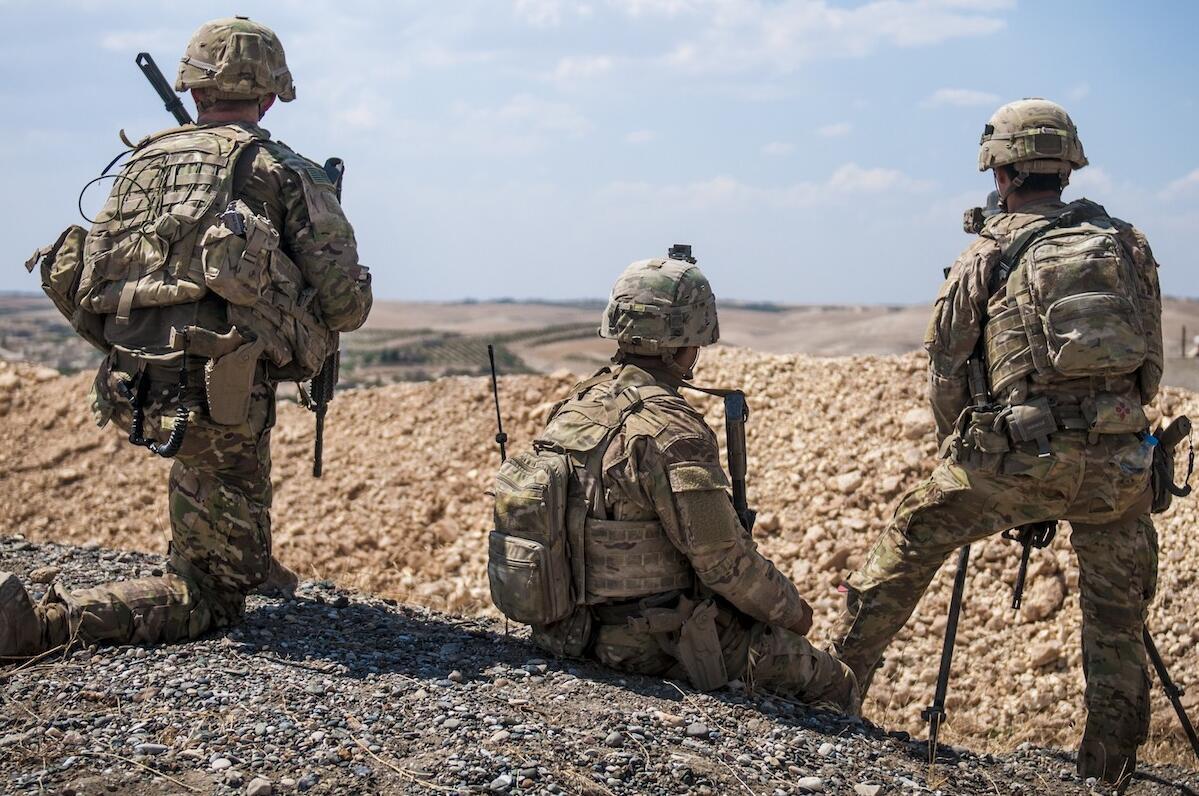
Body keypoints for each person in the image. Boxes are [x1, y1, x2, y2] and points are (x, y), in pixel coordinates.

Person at [1, 17, 371, 657]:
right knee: (208, 597)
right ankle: (40, 625)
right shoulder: (283, 170)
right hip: (218, 395)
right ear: (270, 93)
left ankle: (239, 551)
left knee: (215, 478)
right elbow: (343, 304)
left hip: (132, 379)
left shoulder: (142, 163)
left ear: (195, 92)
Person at [829, 98, 1164, 785]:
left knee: (909, 541)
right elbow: (1149, 367)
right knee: (1116, 614)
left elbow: (945, 372)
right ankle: (1110, 768)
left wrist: (969, 450)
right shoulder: (1126, 243)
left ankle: (828, 699)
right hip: (1119, 462)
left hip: (1013, 458)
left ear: (1001, 168)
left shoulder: (986, 251)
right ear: (1066, 167)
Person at [489, 248, 859, 713]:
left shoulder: (575, 406)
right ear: (684, 342)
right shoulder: (672, 429)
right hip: (648, 646)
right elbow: (723, 561)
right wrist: (792, 613)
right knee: (833, 681)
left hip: (564, 633)